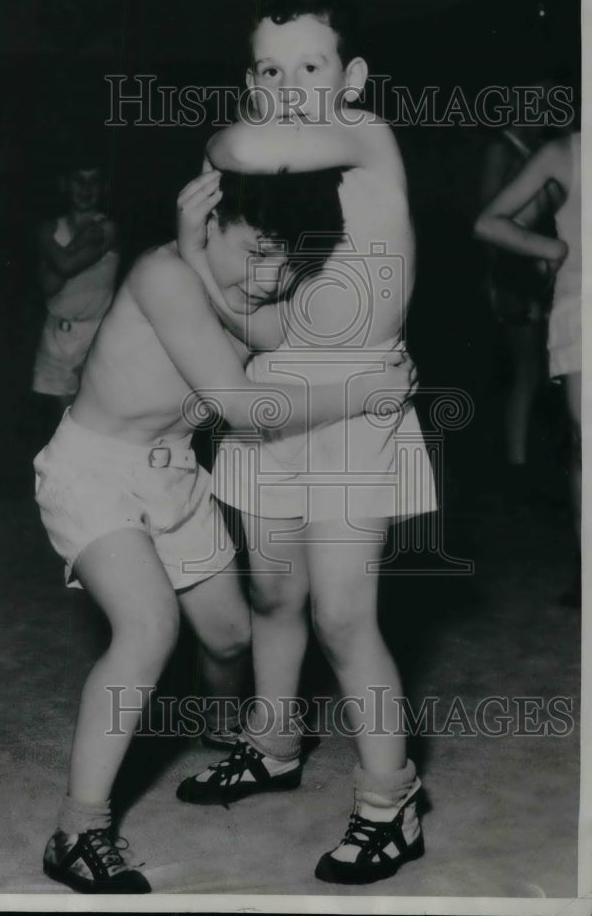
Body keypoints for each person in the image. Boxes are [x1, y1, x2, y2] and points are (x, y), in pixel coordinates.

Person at [33, 162, 414, 894]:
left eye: (290, 260)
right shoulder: (162, 271)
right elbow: (243, 406)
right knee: (146, 629)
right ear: (209, 220)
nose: (272, 276)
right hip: (94, 471)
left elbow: (280, 333)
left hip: (173, 472)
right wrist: (365, 391)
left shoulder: (238, 285)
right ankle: (77, 830)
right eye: (257, 251)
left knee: (231, 636)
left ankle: (225, 736)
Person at [175, 0, 437, 886]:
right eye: (268, 68)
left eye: (309, 66)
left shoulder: (362, 136)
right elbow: (265, 329)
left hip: (358, 407)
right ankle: (273, 743)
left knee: (342, 614)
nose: (286, 86)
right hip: (277, 402)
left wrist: (226, 140)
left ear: (351, 77)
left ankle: (388, 799)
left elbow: (239, 141)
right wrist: (198, 251)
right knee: (273, 598)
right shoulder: (284, 191)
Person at [475, 129, 581, 605]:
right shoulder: (565, 152)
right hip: (584, 310)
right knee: (587, 443)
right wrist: (551, 249)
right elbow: (491, 221)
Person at [476, 87, 563, 496]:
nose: (542, 110)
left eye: (545, 102)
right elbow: (487, 216)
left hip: (541, 268)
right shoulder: (502, 146)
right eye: (534, 102)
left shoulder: (544, 148)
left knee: (541, 368)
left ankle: (528, 454)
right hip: (511, 272)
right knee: (526, 368)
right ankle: (516, 463)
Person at [32, 157, 120, 411]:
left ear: (103, 188)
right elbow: (48, 286)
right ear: (64, 185)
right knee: (61, 423)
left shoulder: (107, 229)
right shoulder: (52, 227)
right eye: (78, 180)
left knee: (93, 417)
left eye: (94, 181)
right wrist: (78, 242)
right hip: (56, 336)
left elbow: (66, 266)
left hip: (95, 336)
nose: (86, 188)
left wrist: (49, 243)